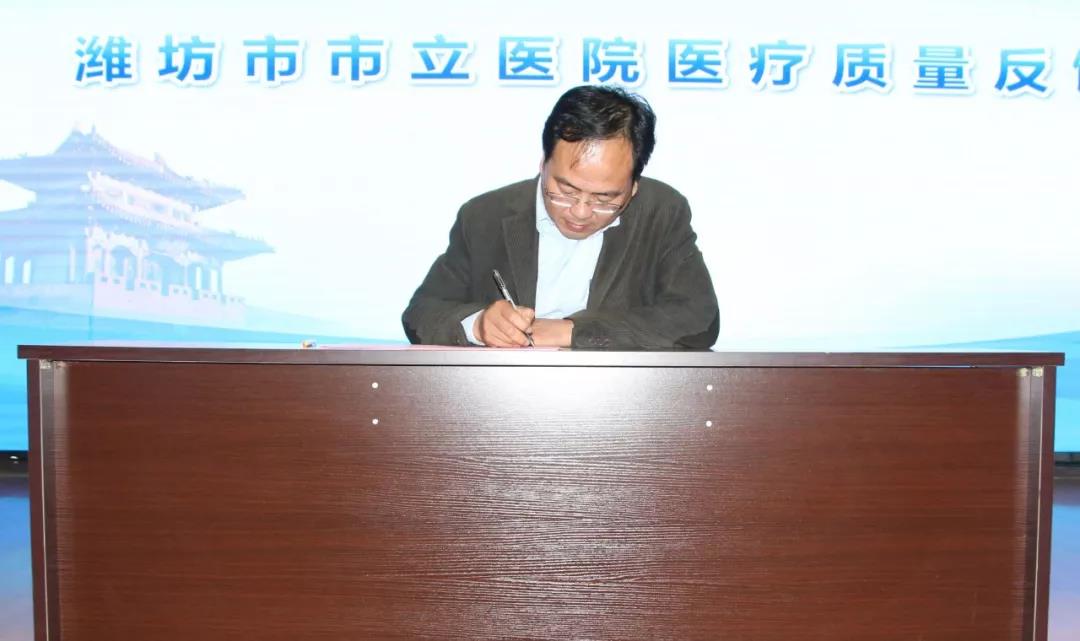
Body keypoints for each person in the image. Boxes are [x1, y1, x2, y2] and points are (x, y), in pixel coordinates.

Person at [401, 85, 719, 350]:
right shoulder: (486, 215)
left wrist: (569, 331)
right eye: (565, 190)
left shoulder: (661, 212)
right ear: (543, 164)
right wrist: (478, 325)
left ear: (634, 186)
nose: (580, 211)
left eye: (605, 199)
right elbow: (421, 314)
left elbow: (699, 320)